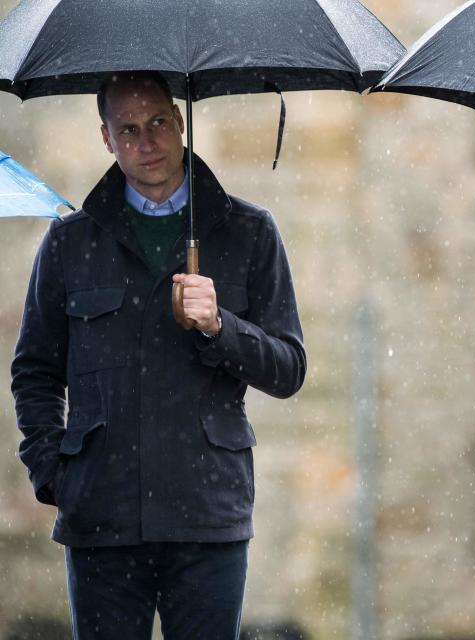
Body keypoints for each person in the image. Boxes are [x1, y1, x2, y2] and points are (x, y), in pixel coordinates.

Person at [10, 71, 306, 639]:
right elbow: (35, 371)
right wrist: (53, 473)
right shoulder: (70, 242)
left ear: (180, 120)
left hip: (208, 515)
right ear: (106, 138)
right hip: (101, 516)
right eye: (128, 129)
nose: (146, 142)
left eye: (158, 123)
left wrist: (220, 326)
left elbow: (289, 368)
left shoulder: (248, 232)